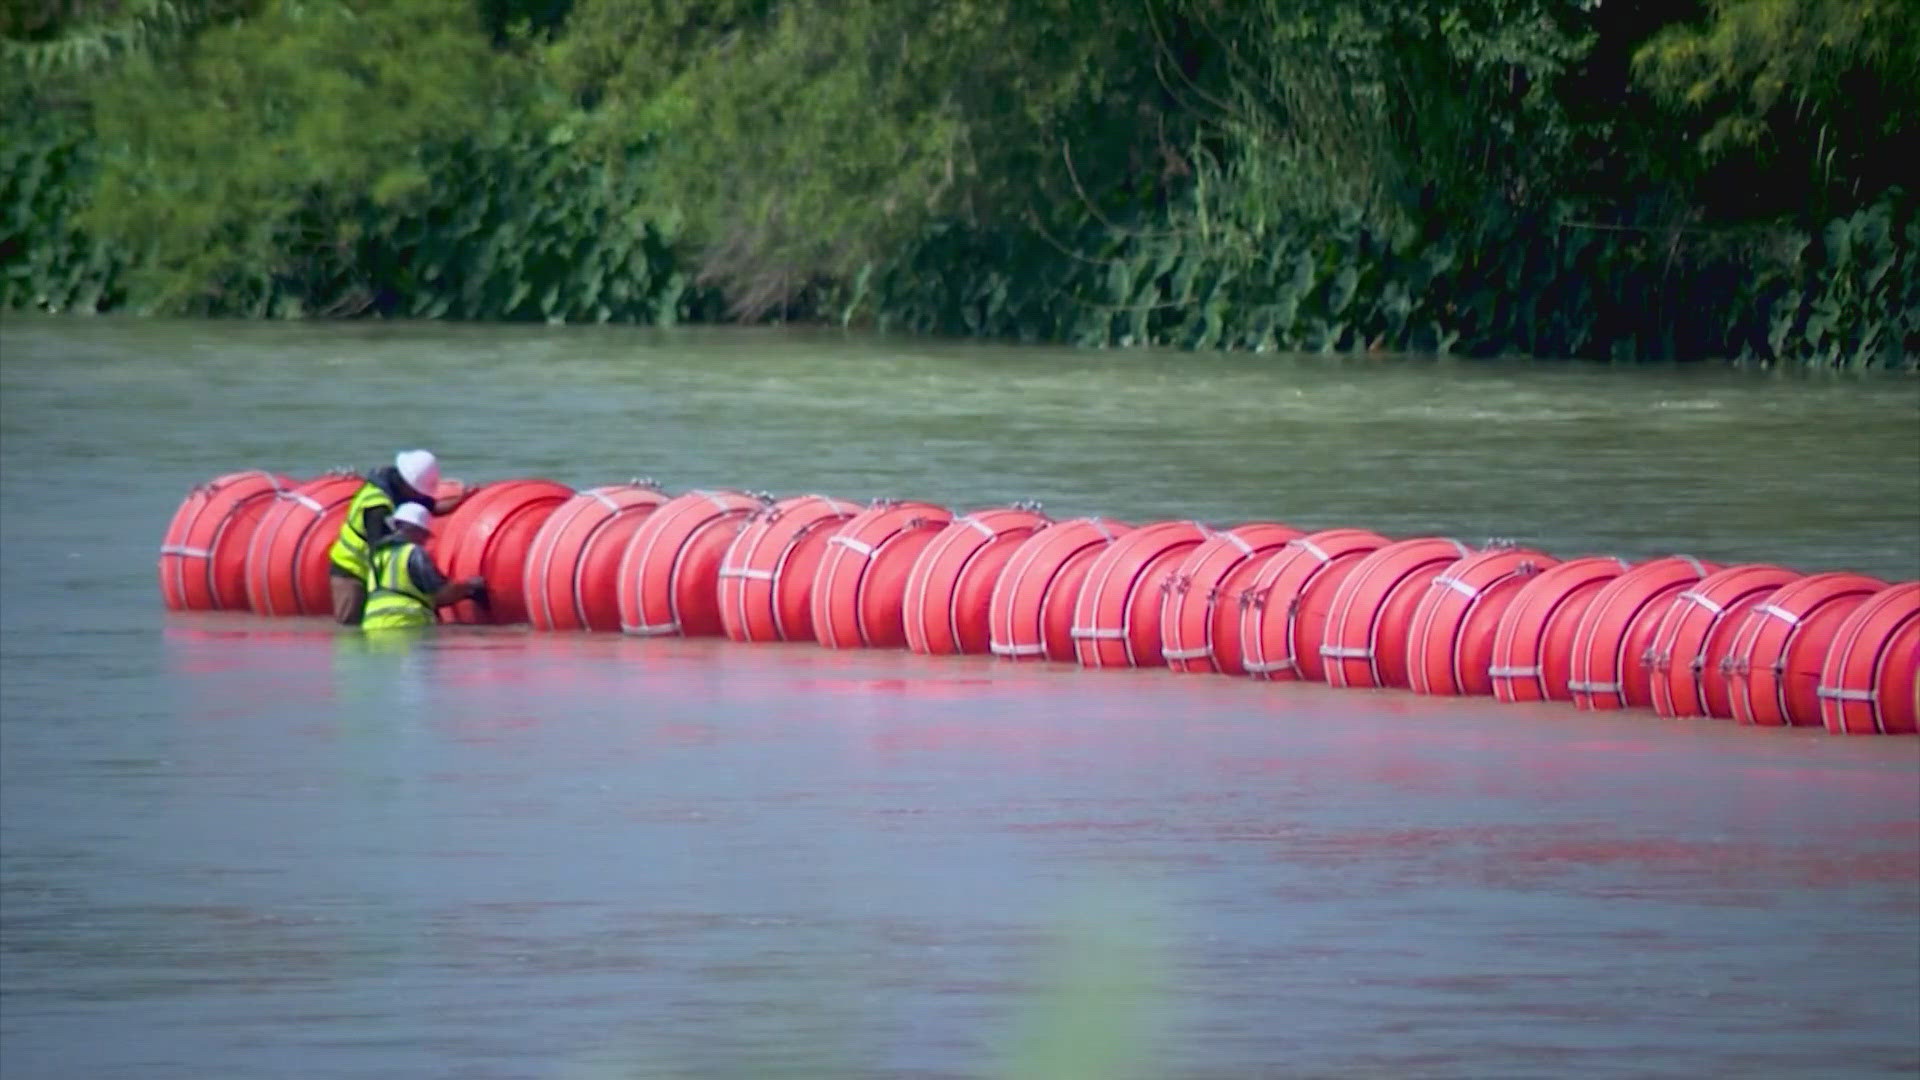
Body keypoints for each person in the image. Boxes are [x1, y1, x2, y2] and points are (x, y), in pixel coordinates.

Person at [328, 449, 469, 625]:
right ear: (407, 485)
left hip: (371, 570)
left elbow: (429, 506)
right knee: (351, 627)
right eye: (417, 492)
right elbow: (382, 549)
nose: (420, 496)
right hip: (351, 568)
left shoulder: (397, 491)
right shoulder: (377, 505)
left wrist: (464, 500)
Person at [360, 503, 488, 631]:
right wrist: (469, 586)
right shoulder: (413, 552)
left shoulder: (377, 555)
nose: (425, 541)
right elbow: (440, 594)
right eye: (424, 535)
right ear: (417, 530)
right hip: (405, 623)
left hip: (372, 626)